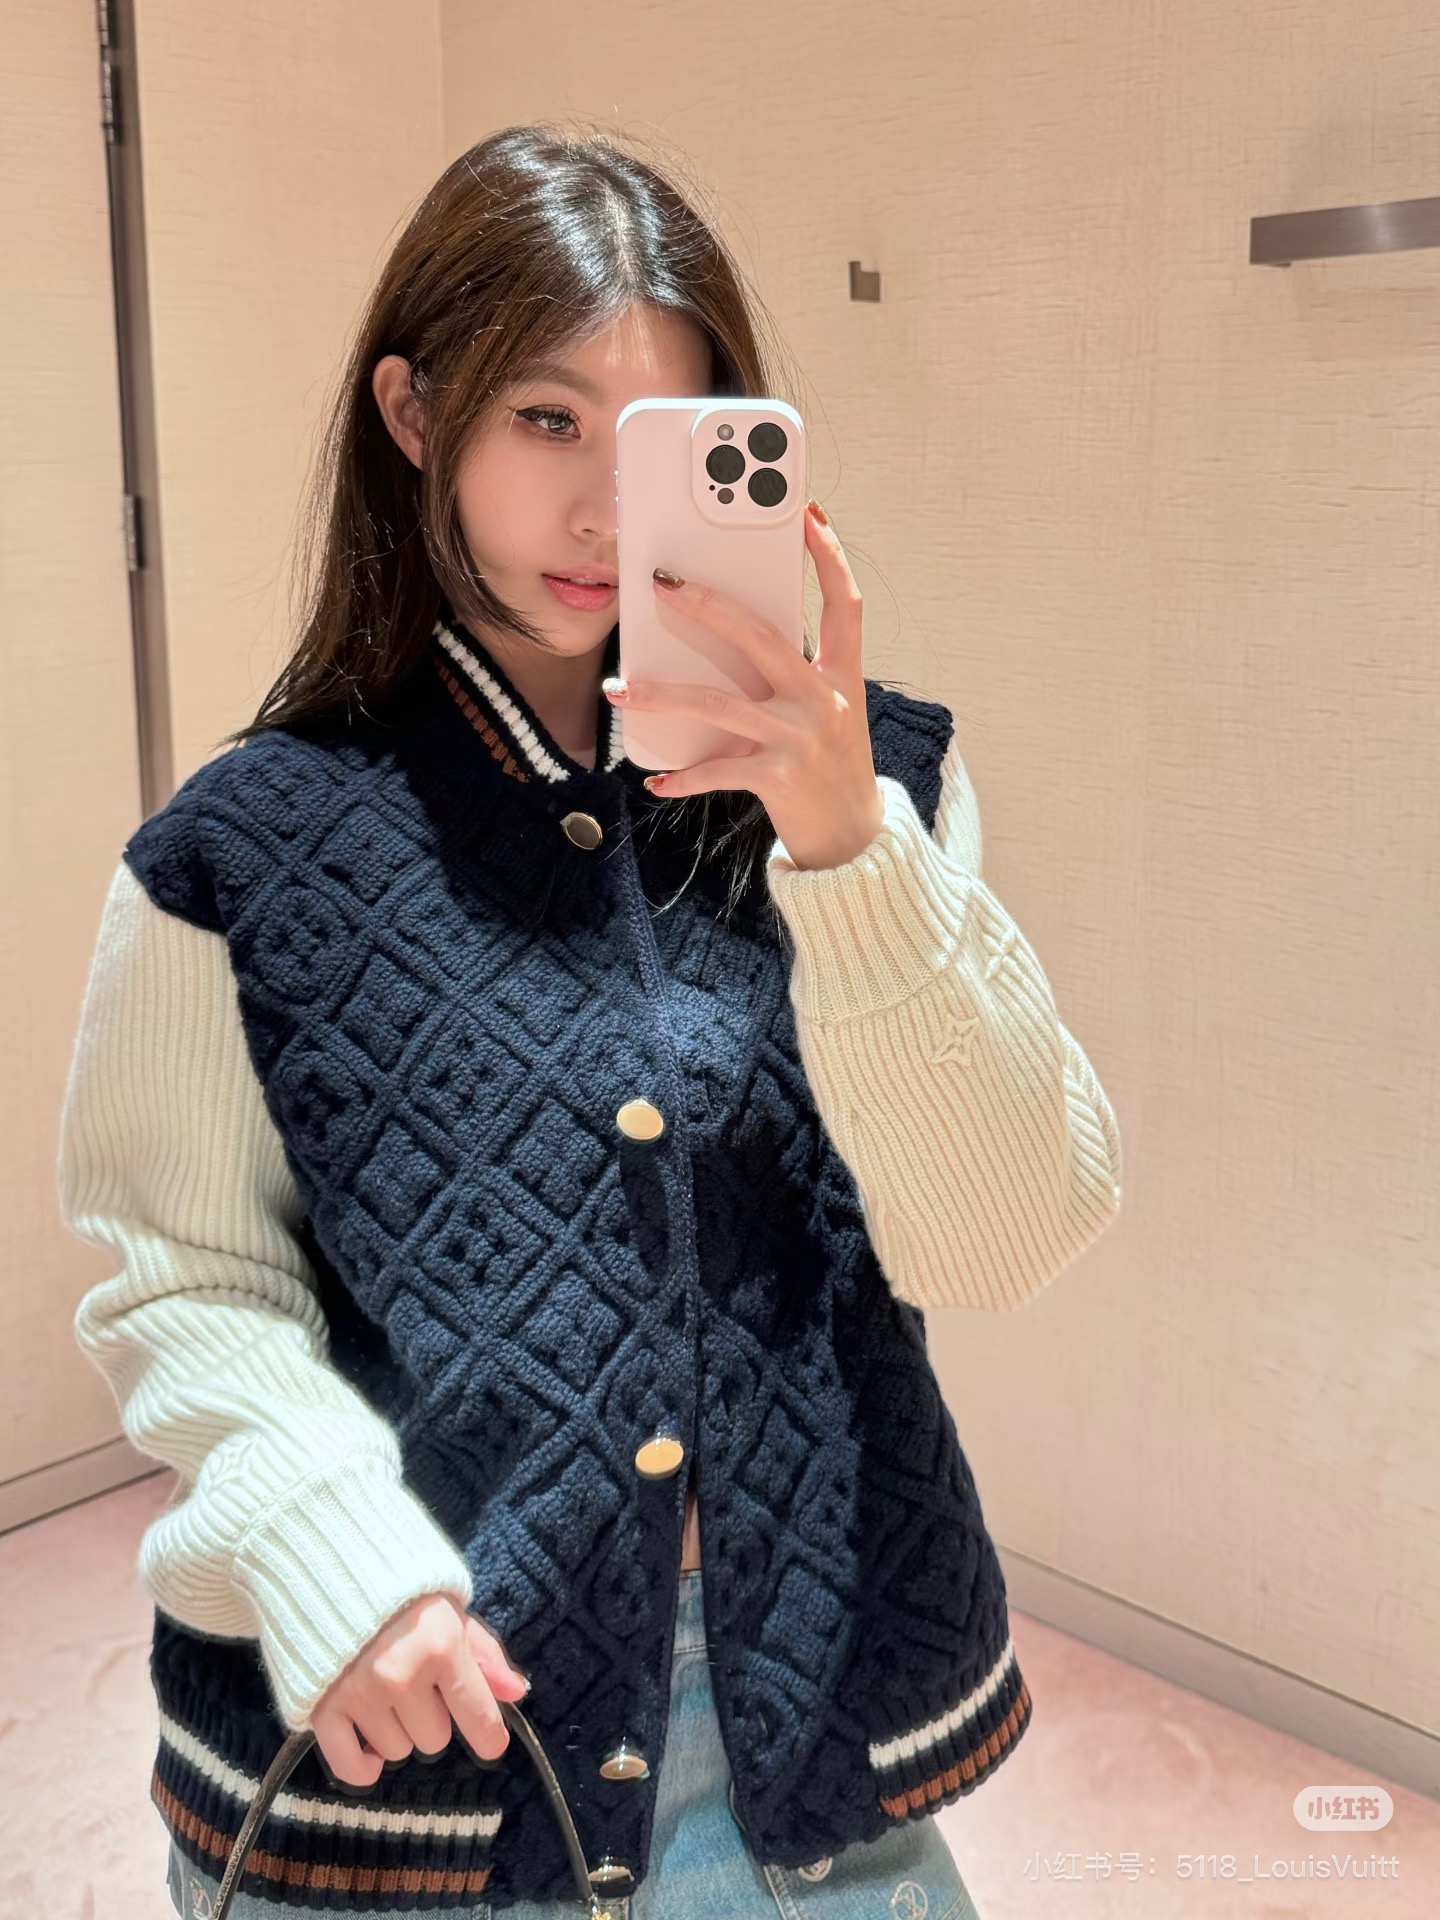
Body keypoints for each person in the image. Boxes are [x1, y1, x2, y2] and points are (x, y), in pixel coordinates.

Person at [57, 121, 1123, 1919]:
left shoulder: (875, 792)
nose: (609, 515)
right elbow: (181, 1281)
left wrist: (849, 851)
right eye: (548, 421)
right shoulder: (240, 852)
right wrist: (327, 1543)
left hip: (815, 1735)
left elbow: (1003, 1234)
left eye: (662, 440)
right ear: (415, 415)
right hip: (408, 1763)